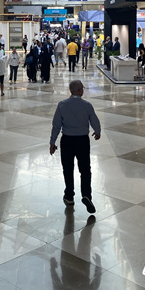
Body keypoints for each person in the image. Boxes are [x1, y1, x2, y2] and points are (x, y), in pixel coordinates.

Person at [50, 80, 101, 213]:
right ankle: (86, 195)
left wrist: (52, 142)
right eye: (82, 88)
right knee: (85, 169)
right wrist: (97, 131)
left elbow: (56, 125)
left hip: (67, 140)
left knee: (68, 169)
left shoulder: (62, 105)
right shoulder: (87, 105)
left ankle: (69, 196)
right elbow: (94, 120)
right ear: (79, 91)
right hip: (82, 140)